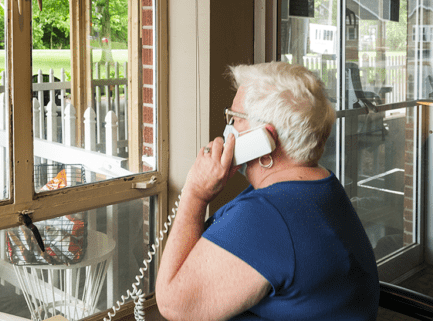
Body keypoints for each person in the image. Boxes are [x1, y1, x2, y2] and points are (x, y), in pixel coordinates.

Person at [156, 62, 379, 320]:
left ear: (264, 138)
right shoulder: (319, 187)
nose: (228, 130)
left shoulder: (268, 216)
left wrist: (195, 194)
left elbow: (173, 304)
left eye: (235, 119)